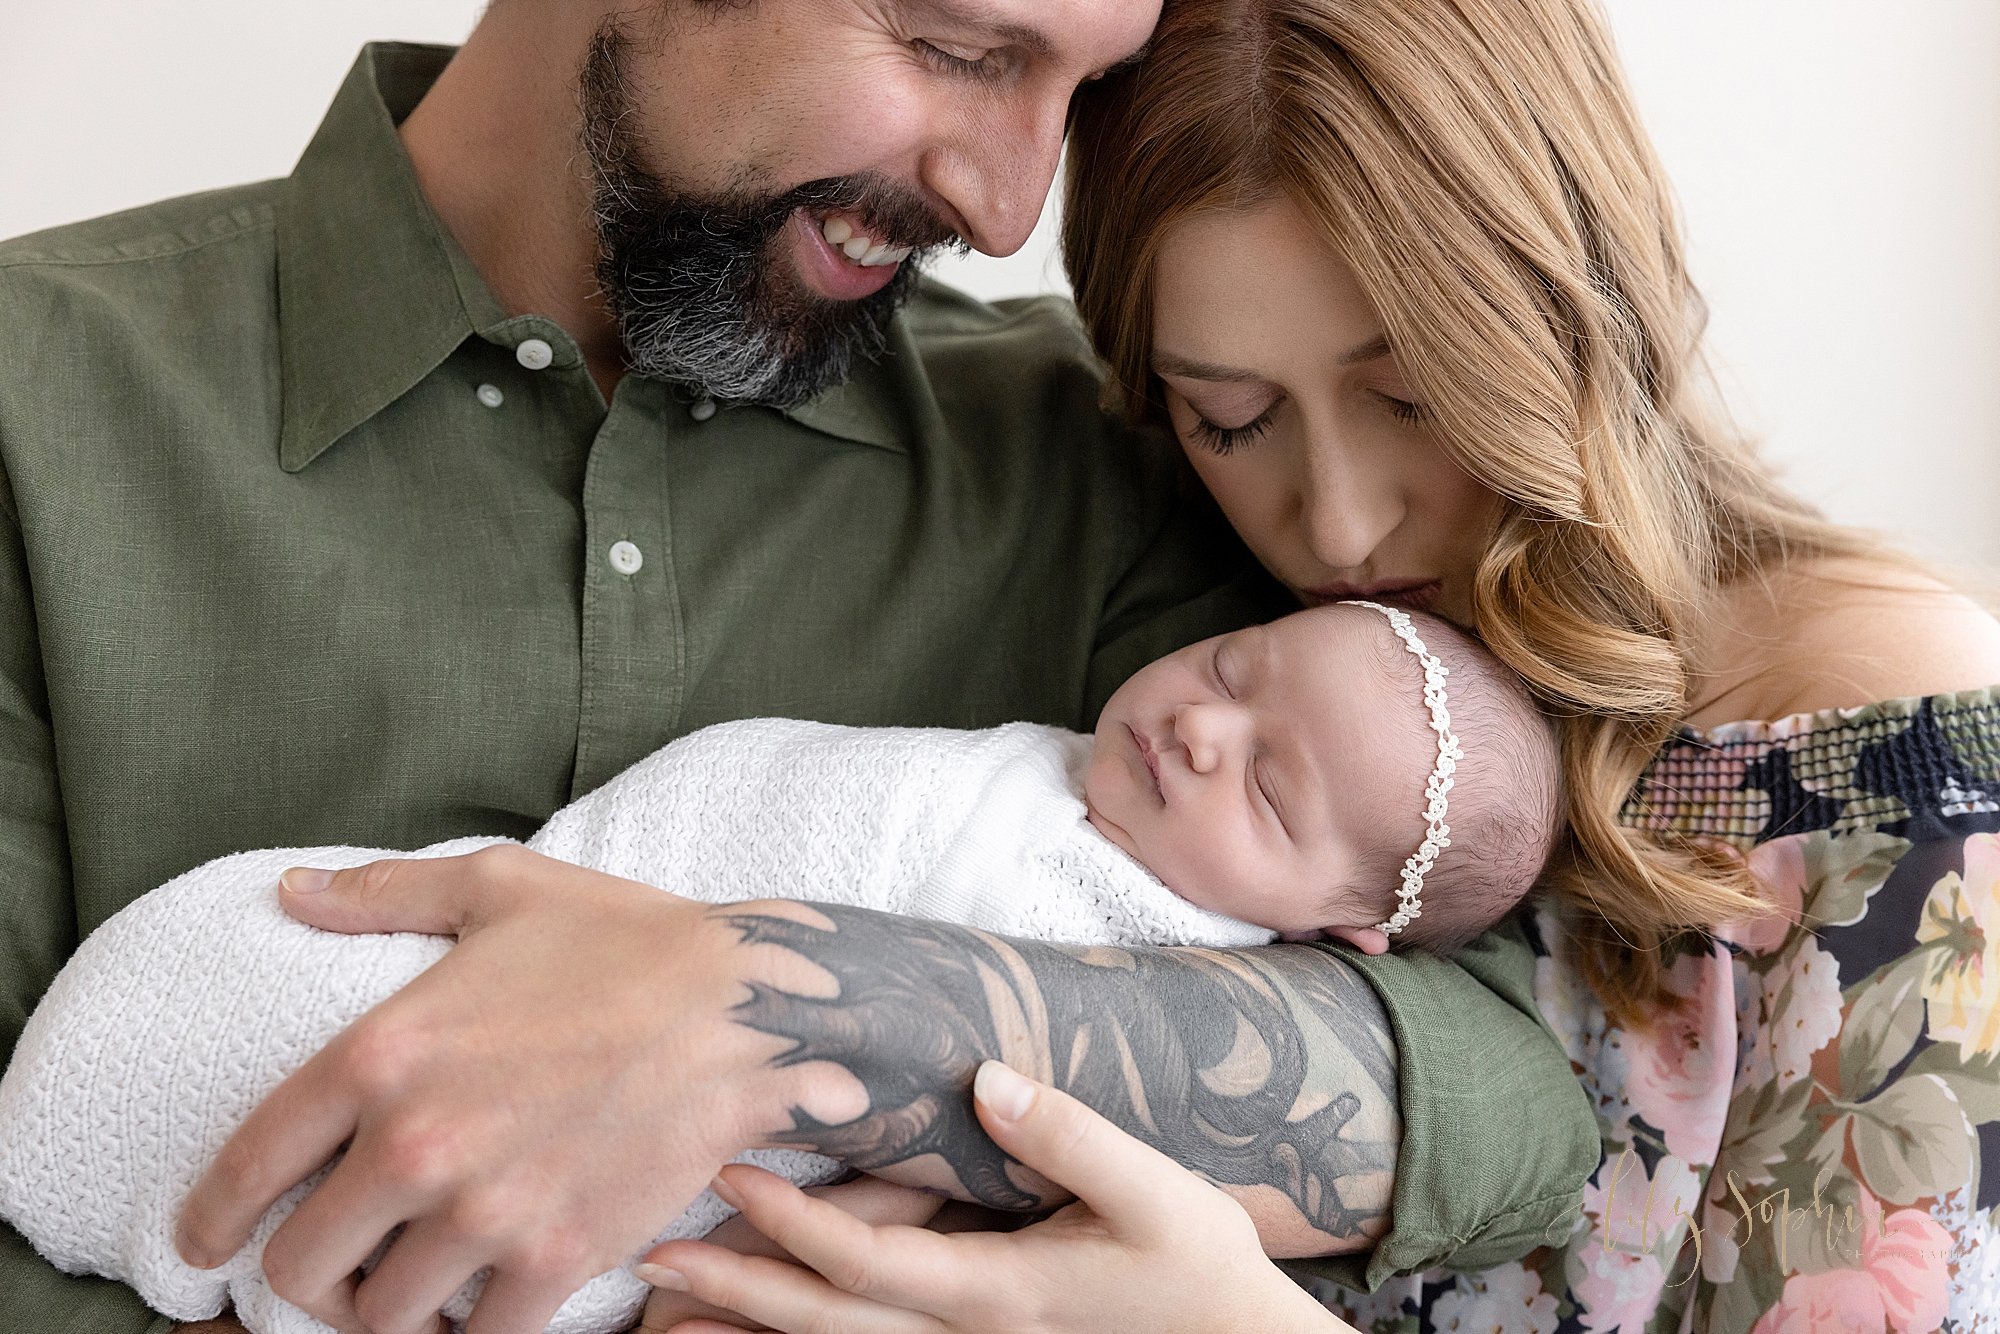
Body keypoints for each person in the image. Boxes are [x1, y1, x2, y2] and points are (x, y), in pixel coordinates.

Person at [0, 3, 1602, 1333]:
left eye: (1086, 87)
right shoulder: (38, 406)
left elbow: (1485, 1092)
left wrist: (774, 1006)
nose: (1009, 206)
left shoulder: (1095, 462)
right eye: (964, 46)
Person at [625, 0, 2000, 1329]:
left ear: (1574, 307)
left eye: (1414, 396)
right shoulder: (1199, 665)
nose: (1337, 523)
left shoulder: (1883, 722)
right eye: (1231, 419)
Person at [2, 603, 1564, 1334]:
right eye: (1234, 666)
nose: (1202, 728)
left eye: (1270, 789)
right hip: (561, 918)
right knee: (299, 993)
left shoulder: (1162, 939)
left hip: (709, 1185)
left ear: (1338, 929)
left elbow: (1519, 1118)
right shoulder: (1048, 753)